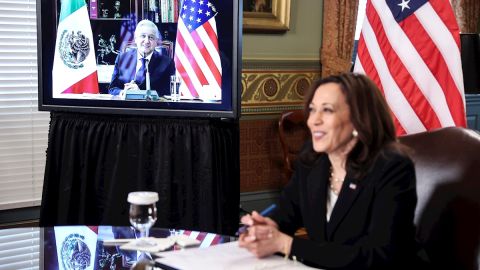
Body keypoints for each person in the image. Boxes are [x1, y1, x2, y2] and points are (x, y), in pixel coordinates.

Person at [239, 73, 419, 269]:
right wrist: (264, 228)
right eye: (312, 110)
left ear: (359, 118)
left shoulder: (391, 167)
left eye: (327, 110)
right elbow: (286, 213)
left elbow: (380, 256)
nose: (313, 121)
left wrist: (287, 244)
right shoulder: (313, 159)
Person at [108, 20, 174, 96]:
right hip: (125, 106)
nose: (146, 41)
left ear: (156, 42)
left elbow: (168, 93)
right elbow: (112, 88)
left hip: (151, 107)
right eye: (143, 36)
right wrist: (123, 92)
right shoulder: (122, 58)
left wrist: (140, 93)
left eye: (151, 37)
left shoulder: (167, 63)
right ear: (136, 39)